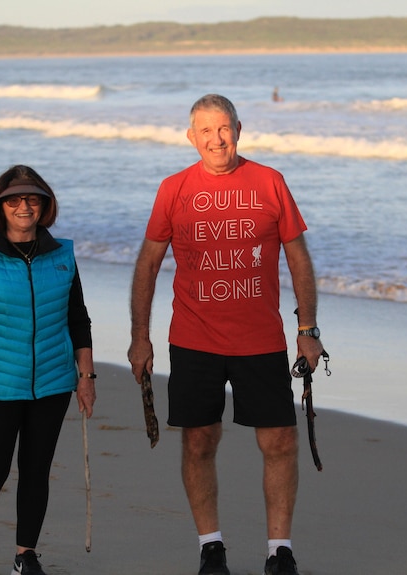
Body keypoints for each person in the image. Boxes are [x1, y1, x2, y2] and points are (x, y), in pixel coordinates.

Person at [128, 94, 324, 575]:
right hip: (194, 339)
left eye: (224, 129)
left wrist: (308, 328)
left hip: (261, 339)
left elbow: (298, 258)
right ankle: (210, 546)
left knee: (280, 442)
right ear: (191, 137)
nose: (217, 139)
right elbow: (148, 264)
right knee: (199, 440)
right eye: (206, 131)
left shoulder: (270, 182)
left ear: (239, 128)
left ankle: (280, 550)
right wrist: (140, 336)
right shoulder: (173, 189)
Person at [0, 164, 96, 575]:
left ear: (44, 205)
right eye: (14, 200)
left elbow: (78, 319)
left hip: (52, 381)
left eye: (32, 199)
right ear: (0, 206)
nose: (24, 206)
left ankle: (25, 555)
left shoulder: (62, 253)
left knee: (36, 472)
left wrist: (86, 378)